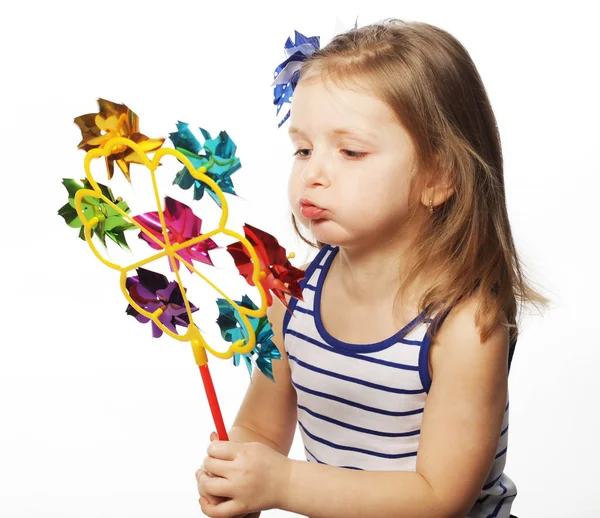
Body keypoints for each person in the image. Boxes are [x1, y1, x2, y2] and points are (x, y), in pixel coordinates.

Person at [195, 18, 546, 518]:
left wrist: (284, 482)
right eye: (303, 148)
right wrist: (236, 477)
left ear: (439, 176)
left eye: (351, 151)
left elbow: (437, 497)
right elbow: (262, 430)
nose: (313, 173)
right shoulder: (290, 293)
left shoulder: (465, 324)